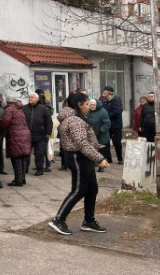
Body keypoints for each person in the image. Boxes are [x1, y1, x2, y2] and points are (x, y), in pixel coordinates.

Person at [49, 92, 110, 235]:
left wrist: (96, 147)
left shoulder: (75, 118)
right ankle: (58, 220)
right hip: (78, 157)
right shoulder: (74, 120)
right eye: (87, 104)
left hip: (84, 157)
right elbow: (81, 143)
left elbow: (83, 140)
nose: (88, 107)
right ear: (79, 105)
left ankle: (89, 221)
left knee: (92, 189)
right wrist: (99, 158)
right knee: (79, 190)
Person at [0, 92, 31, 187]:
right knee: (22, 158)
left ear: (8, 101)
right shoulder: (19, 109)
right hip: (24, 135)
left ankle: (18, 180)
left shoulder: (9, 109)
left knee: (16, 159)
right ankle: (22, 179)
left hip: (15, 135)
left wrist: (0, 129)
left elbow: (5, 122)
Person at [22, 92, 53, 176]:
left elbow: (49, 122)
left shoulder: (43, 109)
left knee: (39, 153)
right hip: (27, 135)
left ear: (37, 99)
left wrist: (48, 133)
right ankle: (24, 169)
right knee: (26, 153)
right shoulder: (24, 108)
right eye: (29, 97)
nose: (30, 99)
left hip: (40, 135)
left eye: (32, 97)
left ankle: (39, 169)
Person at [101, 86, 123, 164]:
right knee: (106, 141)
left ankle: (120, 159)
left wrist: (106, 116)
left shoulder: (116, 100)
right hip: (108, 125)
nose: (103, 93)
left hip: (116, 125)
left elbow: (117, 112)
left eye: (105, 91)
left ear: (109, 92)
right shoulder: (105, 101)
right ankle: (108, 158)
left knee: (116, 142)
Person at [88, 99, 111, 171]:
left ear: (97, 105)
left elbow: (107, 124)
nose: (92, 106)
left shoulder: (103, 112)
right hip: (91, 134)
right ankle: (94, 163)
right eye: (90, 105)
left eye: (93, 105)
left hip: (102, 135)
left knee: (102, 151)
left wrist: (100, 130)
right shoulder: (88, 112)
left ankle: (102, 166)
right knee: (92, 150)